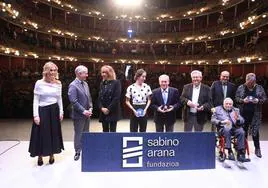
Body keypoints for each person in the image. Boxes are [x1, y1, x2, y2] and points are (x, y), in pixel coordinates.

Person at [28, 61, 64, 166]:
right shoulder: (39, 83)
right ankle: (40, 155)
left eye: (55, 70)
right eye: (51, 70)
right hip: (42, 110)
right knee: (41, 134)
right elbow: (36, 99)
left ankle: (52, 154)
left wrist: (61, 111)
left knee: (53, 133)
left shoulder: (58, 83)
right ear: (46, 71)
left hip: (54, 110)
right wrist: (36, 115)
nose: (53, 72)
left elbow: (59, 98)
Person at [236, 73, 267, 158]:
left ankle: (257, 149)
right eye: (249, 82)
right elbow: (236, 98)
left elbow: (264, 99)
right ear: (246, 80)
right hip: (243, 114)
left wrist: (258, 100)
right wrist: (243, 100)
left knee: (255, 132)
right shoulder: (241, 87)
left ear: (255, 81)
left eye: (252, 82)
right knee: (243, 132)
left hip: (255, 114)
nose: (250, 84)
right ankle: (243, 148)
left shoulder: (259, 88)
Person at [211, 98, 249, 162]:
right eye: (227, 104)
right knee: (227, 129)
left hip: (234, 128)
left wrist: (238, 120)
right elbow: (213, 120)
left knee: (241, 131)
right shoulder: (217, 109)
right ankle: (229, 150)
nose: (228, 105)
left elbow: (242, 120)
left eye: (230, 104)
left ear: (232, 105)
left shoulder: (236, 110)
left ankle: (240, 153)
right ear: (223, 104)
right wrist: (222, 122)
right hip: (223, 128)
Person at [68, 65, 93, 161]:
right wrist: (83, 111)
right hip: (79, 115)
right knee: (79, 133)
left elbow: (89, 97)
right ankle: (77, 151)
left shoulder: (85, 84)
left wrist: (90, 107)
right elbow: (73, 101)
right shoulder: (73, 85)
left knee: (86, 132)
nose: (87, 75)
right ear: (79, 74)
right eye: (85, 73)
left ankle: (86, 149)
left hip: (87, 113)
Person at [98, 65, 121, 132]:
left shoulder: (116, 83)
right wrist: (102, 108)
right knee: (105, 130)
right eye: (102, 72)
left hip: (112, 110)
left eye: (105, 72)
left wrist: (108, 109)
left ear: (110, 73)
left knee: (113, 131)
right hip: (103, 110)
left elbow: (116, 98)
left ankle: (112, 143)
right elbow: (99, 98)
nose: (103, 74)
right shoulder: (102, 83)